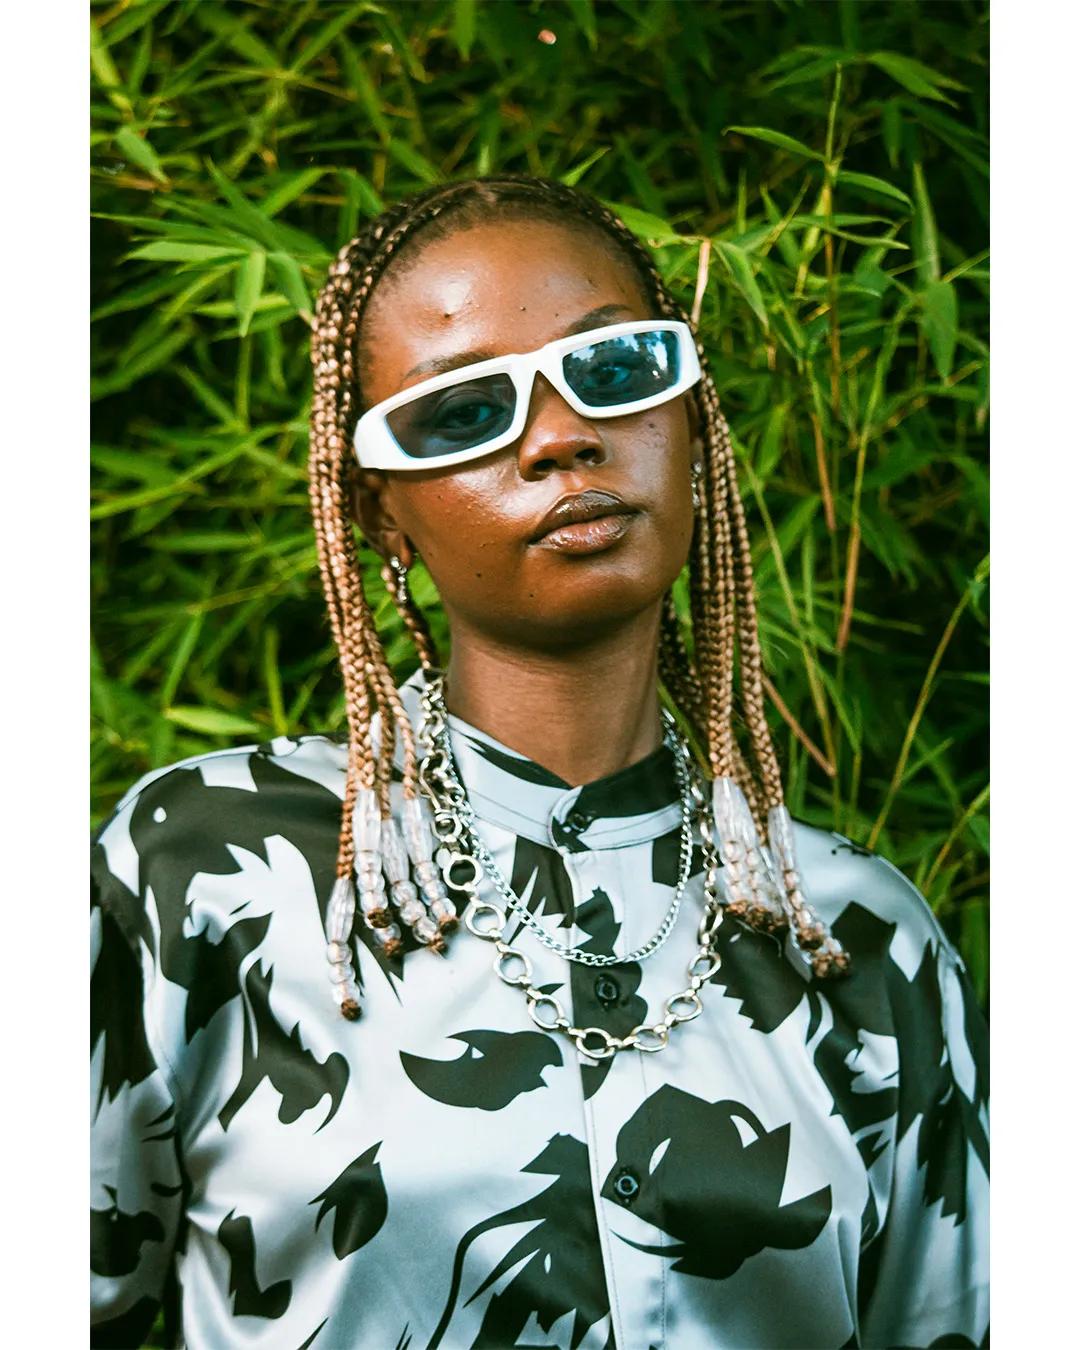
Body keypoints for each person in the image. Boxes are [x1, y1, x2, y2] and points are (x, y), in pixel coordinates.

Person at [90, 177, 989, 1350]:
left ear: (690, 421)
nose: (562, 436)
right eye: (464, 411)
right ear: (381, 512)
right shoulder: (208, 876)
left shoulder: (853, 938)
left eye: (615, 369)